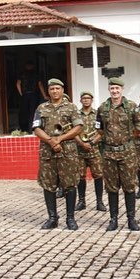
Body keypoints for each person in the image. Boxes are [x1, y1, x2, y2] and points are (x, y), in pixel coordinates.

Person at [33, 78, 83, 230]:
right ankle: (52, 218)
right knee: (48, 185)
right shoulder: (41, 108)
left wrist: (60, 139)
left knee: (70, 184)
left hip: (68, 152)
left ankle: (70, 218)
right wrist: (50, 141)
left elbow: (78, 127)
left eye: (57, 88)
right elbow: (36, 128)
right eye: (52, 89)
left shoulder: (71, 107)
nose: (54, 91)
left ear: (62, 90)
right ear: (48, 91)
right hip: (48, 152)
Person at [97, 77, 140, 231]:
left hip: (127, 153)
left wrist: (128, 139)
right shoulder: (102, 108)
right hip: (109, 153)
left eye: (117, 88)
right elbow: (99, 128)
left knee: (129, 186)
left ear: (122, 89)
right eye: (112, 88)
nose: (115, 91)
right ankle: (113, 219)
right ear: (109, 89)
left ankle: (131, 219)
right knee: (111, 187)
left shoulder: (131, 106)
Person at [74, 91, 106, 212]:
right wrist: (82, 144)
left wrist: (91, 143)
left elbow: (101, 132)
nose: (86, 100)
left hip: (94, 150)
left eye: (88, 98)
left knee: (98, 176)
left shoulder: (98, 114)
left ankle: (99, 202)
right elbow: (73, 131)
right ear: (80, 100)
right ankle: (81, 201)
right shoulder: (76, 114)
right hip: (80, 151)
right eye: (84, 98)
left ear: (92, 100)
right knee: (80, 177)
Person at [16, 59, 47, 133]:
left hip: (26, 95)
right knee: (32, 112)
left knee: (25, 112)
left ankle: (25, 129)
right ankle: (30, 129)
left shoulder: (23, 73)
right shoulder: (36, 73)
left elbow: (18, 84)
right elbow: (40, 85)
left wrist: (21, 94)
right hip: (33, 95)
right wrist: (44, 95)